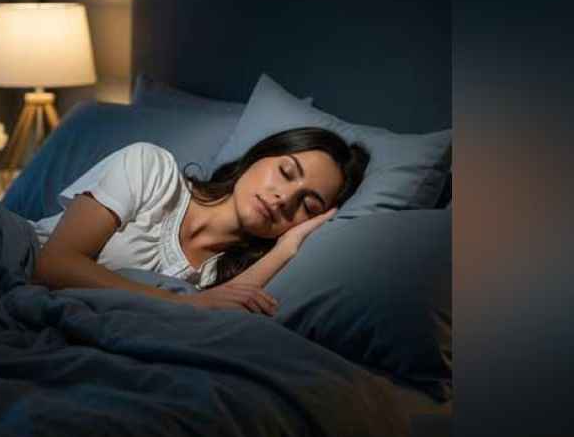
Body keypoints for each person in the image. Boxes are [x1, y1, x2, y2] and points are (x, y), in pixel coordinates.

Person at [29, 127, 369, 316]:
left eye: (307, 205)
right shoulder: (150, 168)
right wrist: (183, 304)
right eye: (285, 172)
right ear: (260, 155)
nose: (284, 198)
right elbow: (54, 264)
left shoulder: (216, 274)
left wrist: (286, 249)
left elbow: (225, 305)